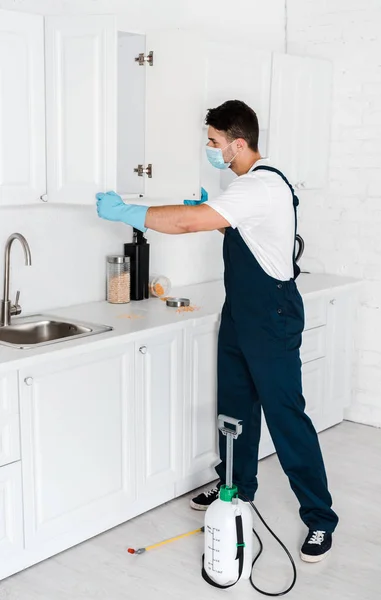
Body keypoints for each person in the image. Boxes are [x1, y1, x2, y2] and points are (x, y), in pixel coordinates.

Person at [96, 100, 338, 563]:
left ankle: (320, 519)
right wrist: (216, 219)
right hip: (241, 314)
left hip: (272, 316)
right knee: (235, 410)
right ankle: (234, 488)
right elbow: (245, 234)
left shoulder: (258, 187)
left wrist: (130, 212)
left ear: (238, 143)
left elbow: (187, 223)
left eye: (214, 142)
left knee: (286, 417)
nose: (210, 150)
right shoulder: (249, 187)